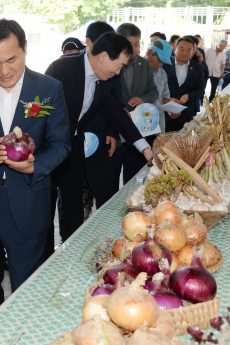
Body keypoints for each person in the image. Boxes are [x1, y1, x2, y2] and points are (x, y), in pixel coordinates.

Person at [0, 18, 71, 325]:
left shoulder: (48, 89)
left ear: (25, 50)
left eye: (11, 59)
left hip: (28, 201)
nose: (4, 71)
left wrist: (37, 165)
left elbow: (61, 144)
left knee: (28, 288)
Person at [45, 32, 154, 242]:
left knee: (72, 202)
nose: (118, 71)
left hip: (73, 147)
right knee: (45, 208)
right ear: (103, 56)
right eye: (120, 65)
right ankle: (45, 256)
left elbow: (115, 113)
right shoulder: (62, 69)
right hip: (48, 149)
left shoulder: (102, 80)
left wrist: (145, 148)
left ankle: (70, 247)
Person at [112, 23, 159, 188]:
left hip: (139, 130)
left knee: (134, 181)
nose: (134, 48)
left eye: (137, 43)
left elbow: (154, 91)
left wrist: (143, 98)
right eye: (130, 43)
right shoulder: (111, 63)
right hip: (115, 135)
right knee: (110, 182)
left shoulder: (143, 64)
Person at [162, 36, 204, 132]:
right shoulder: (164, 64)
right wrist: (168, 100)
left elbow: (200, 89)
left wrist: (188, 95)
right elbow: (157, 87)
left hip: (186, 112)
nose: (185, 53)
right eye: (181, 49)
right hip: (164, 111)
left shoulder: (197, 68)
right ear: (175, 48)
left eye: (189, 50)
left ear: (193, 51)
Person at [145, 39, 172, 133]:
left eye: (163, 62)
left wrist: (171, 110)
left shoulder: (162, 73)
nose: (159, 64)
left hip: (158, 123)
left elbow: (165, 96)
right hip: (140, 121)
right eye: (159, 60)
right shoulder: (135, 69)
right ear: (149, 52)